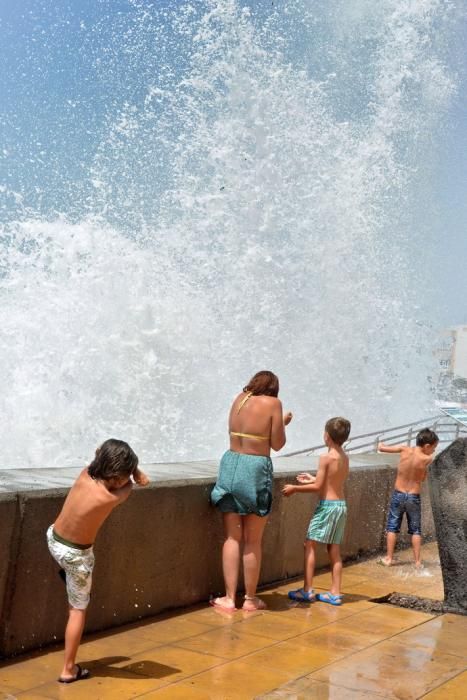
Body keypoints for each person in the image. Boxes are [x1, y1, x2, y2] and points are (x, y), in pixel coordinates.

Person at [46, 439, 149, 683]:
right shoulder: (111, 496)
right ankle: (68, 669)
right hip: (76, 556)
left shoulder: (85, 474)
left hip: (53, 540)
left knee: (72, 567)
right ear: (118, 478)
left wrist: (127, 467)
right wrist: (135, 472)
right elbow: (136, 484)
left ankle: (69, 575)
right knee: (78, 610)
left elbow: (99, 451)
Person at [210, 370, 293, 612]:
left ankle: (227, 598)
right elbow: (277, 444)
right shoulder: (274, 403)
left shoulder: (239, 398)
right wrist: (283, 423)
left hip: (230, 464)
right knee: (252, 539)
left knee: (232, 537)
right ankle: (249, 599)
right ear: (273, 388)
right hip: (255, 469)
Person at [282, 417, 351, 606]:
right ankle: (335, 593)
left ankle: (307, 590)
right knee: (334, 549)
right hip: (340, 506)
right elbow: (331, 482)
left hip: (327, 507)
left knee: (309, 544)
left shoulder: (326, 457)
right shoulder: (344, 457)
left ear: (326, 436)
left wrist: (295, 488)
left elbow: (319, 487)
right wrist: (313, 478)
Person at [378, 428, 439, 568]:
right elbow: (423, 478)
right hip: (413, 497)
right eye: (434, 447)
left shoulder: (404, 449)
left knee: (392, 527)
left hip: (398, 494)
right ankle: (417, 562)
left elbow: (382, 448)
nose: (434, 451)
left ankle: (388, 558)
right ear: (427, 446)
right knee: (415, 530)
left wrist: (381, 444)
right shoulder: (427, 459)